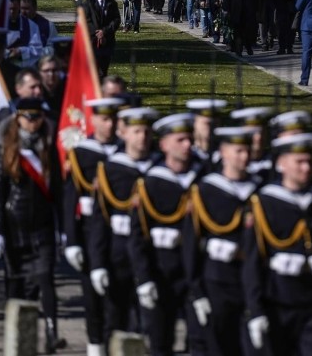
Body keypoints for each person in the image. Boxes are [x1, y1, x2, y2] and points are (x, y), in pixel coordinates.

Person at [242, 132, 312, 355]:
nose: (306, 168)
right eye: (299, 162)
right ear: (281, 164)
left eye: (309, 161)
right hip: (279, 300)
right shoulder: (265, 203)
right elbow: (253, 261)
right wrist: (255, 309)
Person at [0, 98, 67, 353]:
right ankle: (19, 336)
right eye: (28, 117)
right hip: (14, 227)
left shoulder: (48, 147)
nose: (33, 122)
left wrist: (64, 229)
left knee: (45, 278)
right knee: (18, 284)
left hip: (42, 226)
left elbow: (57, 191)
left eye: (37, 117)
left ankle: (52, 333)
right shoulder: (7, 148)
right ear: (18, 118)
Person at [129, 113, 207, 356]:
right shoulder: (150, 183)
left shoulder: (203, 178)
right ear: (164, 145)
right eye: (181, 140)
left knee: (201, 339)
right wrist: (144, 278)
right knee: (160, 340)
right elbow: (137, 236)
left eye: (189, 139)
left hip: (195, 273)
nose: (188, 145)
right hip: (161, 271)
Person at [183, 125, 260, 355]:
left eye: (247, 151)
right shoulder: (206, 191)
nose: (244, 156)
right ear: (224, 152)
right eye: (238, 151)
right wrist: (196, 290)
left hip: (249, 283)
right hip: (216, 281)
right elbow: (191, 246)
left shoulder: (258, 191)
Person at [88, 107, 159, 346]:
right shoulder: (110, 171)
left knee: (147, 324)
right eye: (137, 131)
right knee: (115, 321)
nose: (143, 137)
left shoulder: (158, 172)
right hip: (117, 255)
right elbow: (99, 222)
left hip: (149, 255)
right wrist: (97, 263)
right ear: (125, 133)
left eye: (147, 132)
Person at [63, 98, 123, 356]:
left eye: (113, 119)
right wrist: (72, 241)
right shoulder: (81, 154)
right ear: (94, 120)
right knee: (93, 297)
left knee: (118, 298)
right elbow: (70, 200)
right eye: (104, 119)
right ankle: (95, 343)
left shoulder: (123, 153)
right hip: (88, 233)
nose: (109, 125)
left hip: (119, 235)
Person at [82, 0, 121, 78]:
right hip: (93, 41)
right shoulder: (88, 4)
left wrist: (104, 32)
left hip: (107, 40)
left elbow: (116, 20)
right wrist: (97, 33)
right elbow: (86, 21)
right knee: (94, 69)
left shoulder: (112, 3)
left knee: (104, 69)